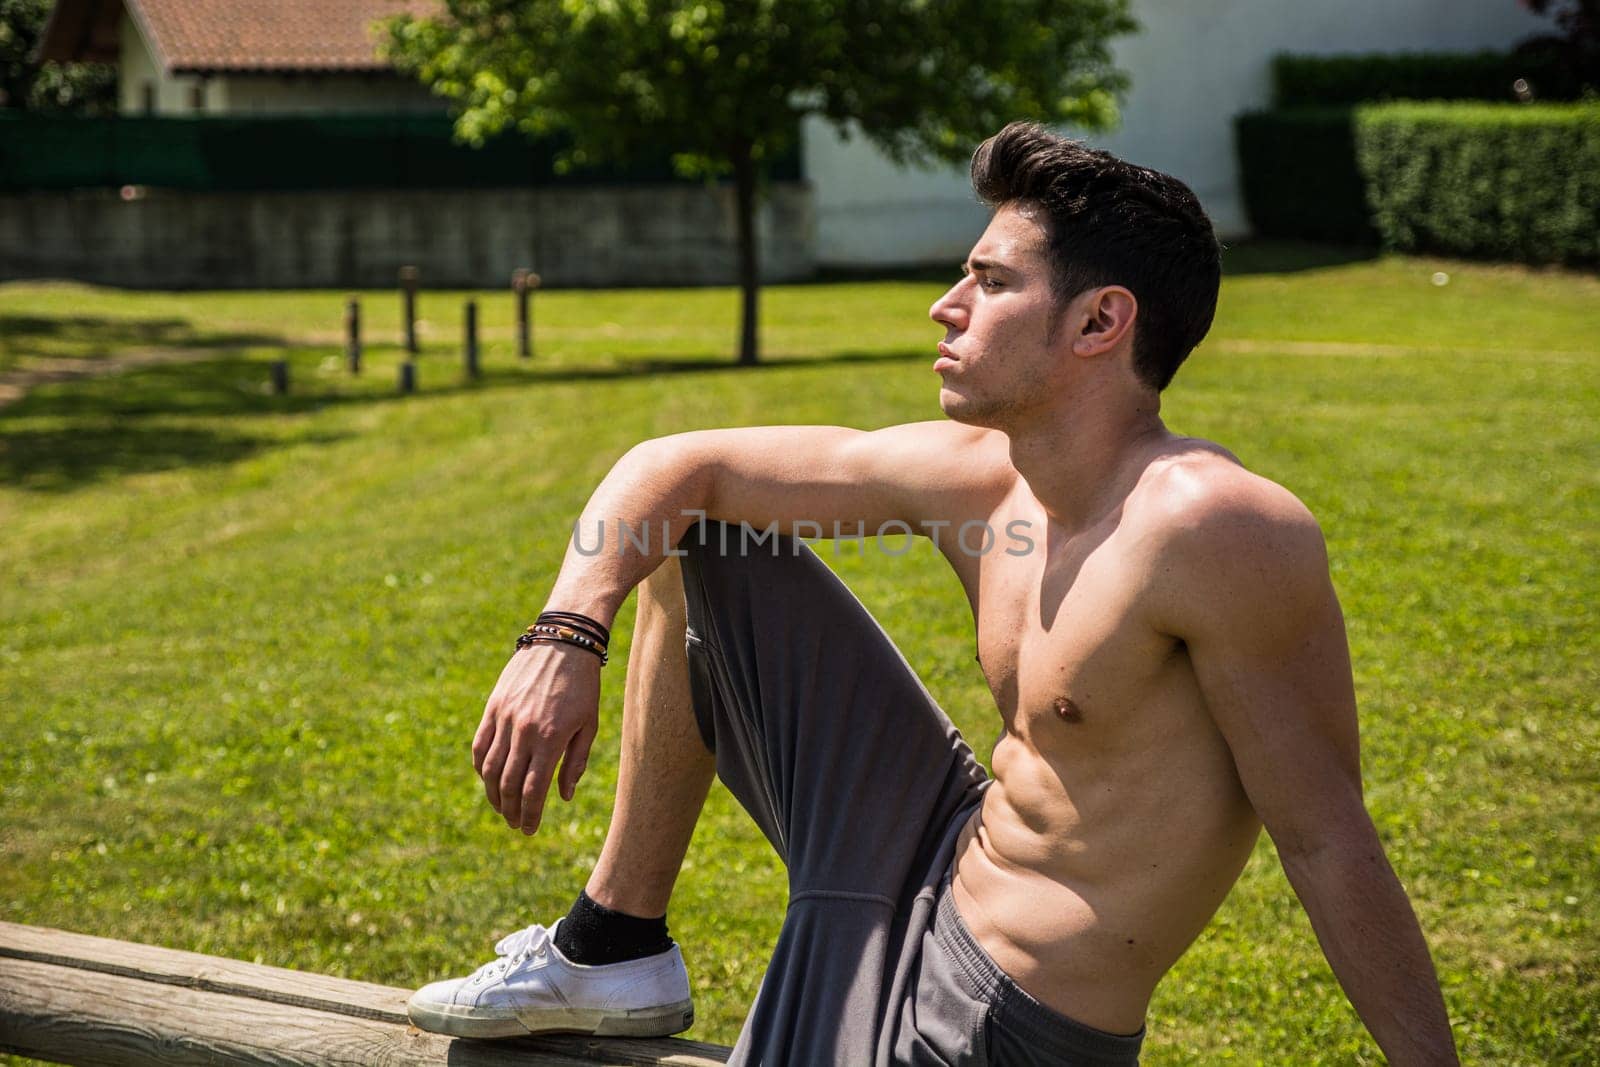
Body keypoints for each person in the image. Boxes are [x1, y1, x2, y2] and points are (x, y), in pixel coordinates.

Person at [407, 122, 1460, 1066]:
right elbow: (671, 462)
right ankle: (613, 944)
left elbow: (1327, 836)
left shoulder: (1210, 528)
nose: (944, 305)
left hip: (993, 1018)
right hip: (930, 855)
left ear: (1100, 320)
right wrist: (564, 629)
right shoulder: (989, 480)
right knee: (690, 532)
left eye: (991, 281)